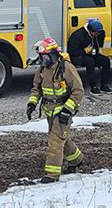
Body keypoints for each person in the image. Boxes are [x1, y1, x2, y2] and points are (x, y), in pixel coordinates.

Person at [26, 37, 84, 183]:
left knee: (55, 141)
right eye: (41, 56)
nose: (42, 59)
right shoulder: (42, 70)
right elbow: (36, 88)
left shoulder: (66, 68)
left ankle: (51, 175)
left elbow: (78, 91)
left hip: (63, 112)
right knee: (61, 137)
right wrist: (32, 103)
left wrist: (67, 110)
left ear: (52, 54)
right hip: (49, 111)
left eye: (44, 56)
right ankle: (76, 160)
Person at [67, 20, 112, 95]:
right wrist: (85, 51)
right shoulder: (78, 35)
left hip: (90, 53)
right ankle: (93, 87)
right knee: (90, 61)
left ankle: (104, 85)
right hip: (77, 55)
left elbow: (98, 45)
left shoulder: (98, 35)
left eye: (98, 33)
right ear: (90, 30)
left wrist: (94, 50)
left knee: (105, 60)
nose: (97, 34)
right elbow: (72, 50)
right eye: (95, 33)